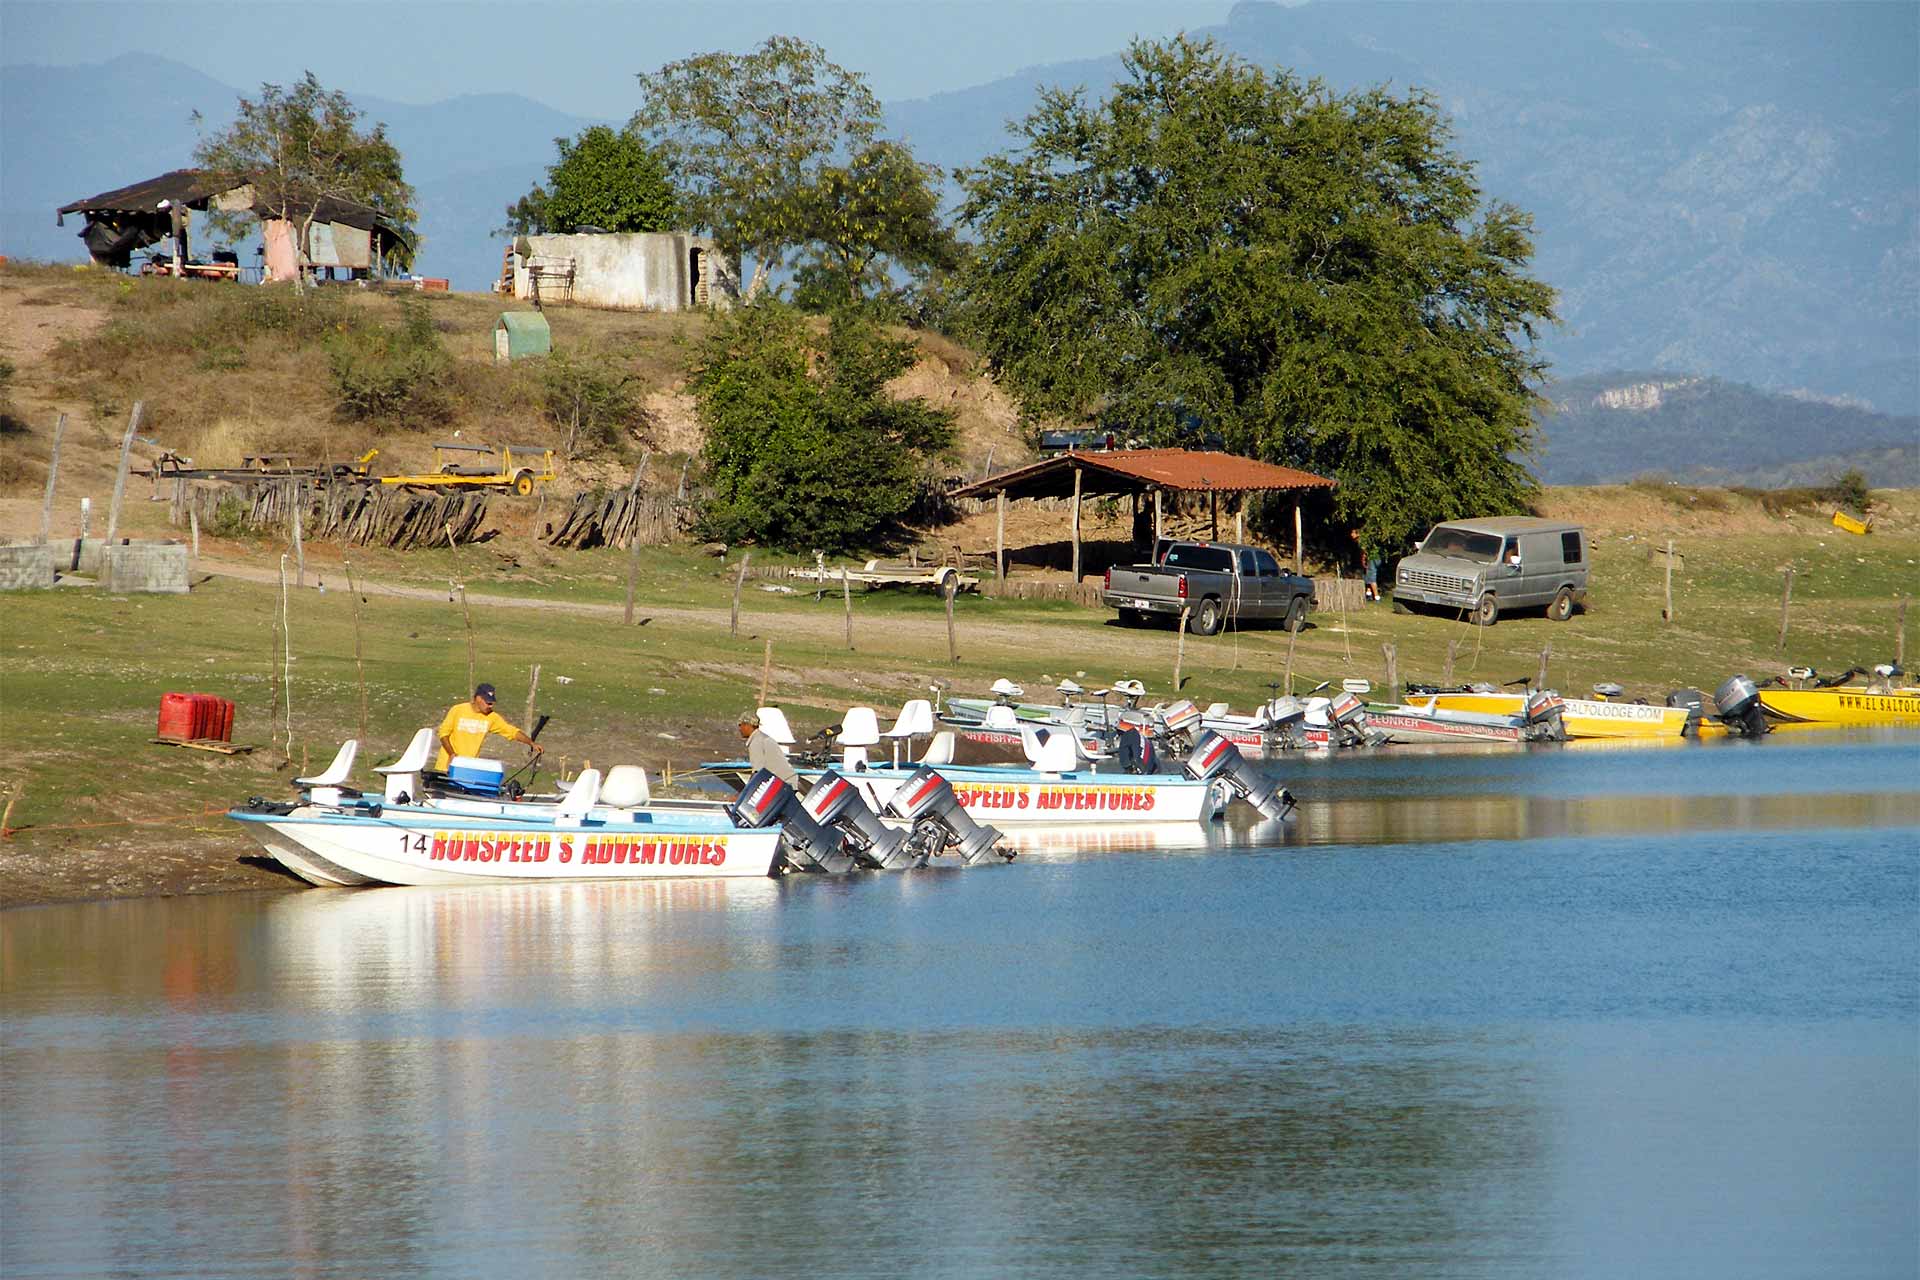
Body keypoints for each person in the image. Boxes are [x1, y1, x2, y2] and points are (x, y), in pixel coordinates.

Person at [435, 683, 541, 770]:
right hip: (447, 765)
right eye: (488, 703)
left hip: (467, 767)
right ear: (478, 699)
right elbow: (443, 734)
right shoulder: (458, 710)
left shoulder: (491, 717)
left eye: (492, 703)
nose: (490, 706)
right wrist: (452, 754)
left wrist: (531, 743)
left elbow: (511, 731)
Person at [739, 710, 800, 789]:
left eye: (741, 725)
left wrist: (745, 792)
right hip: (789, 781)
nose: (740, 729)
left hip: (783, 784)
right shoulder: (762, 737)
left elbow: (757, 772)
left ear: (747, 725)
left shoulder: (756, 742)